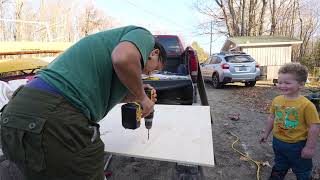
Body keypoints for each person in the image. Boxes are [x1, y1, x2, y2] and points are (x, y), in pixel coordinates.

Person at [0, 25, 167, 180]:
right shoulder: (144, 36)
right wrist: (142, 97)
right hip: (51, 117)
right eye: (151, 69)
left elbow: (93, 91)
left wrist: (133, 95)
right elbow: (123, 58)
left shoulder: (105, 47)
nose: (145, 73)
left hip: (16, 112)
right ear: (153, 53)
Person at [260, 63, 320, 180]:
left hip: (297, 146)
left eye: (287, 83)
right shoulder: (277, 100)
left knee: (302, 171)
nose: (282, 85)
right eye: (280, 82)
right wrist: (266, 134)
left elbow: (314, 127)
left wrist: (309, 148)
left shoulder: (306, 105)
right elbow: (272, 118)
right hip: (278, 142)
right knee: (279, 165)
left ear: (301, 84)